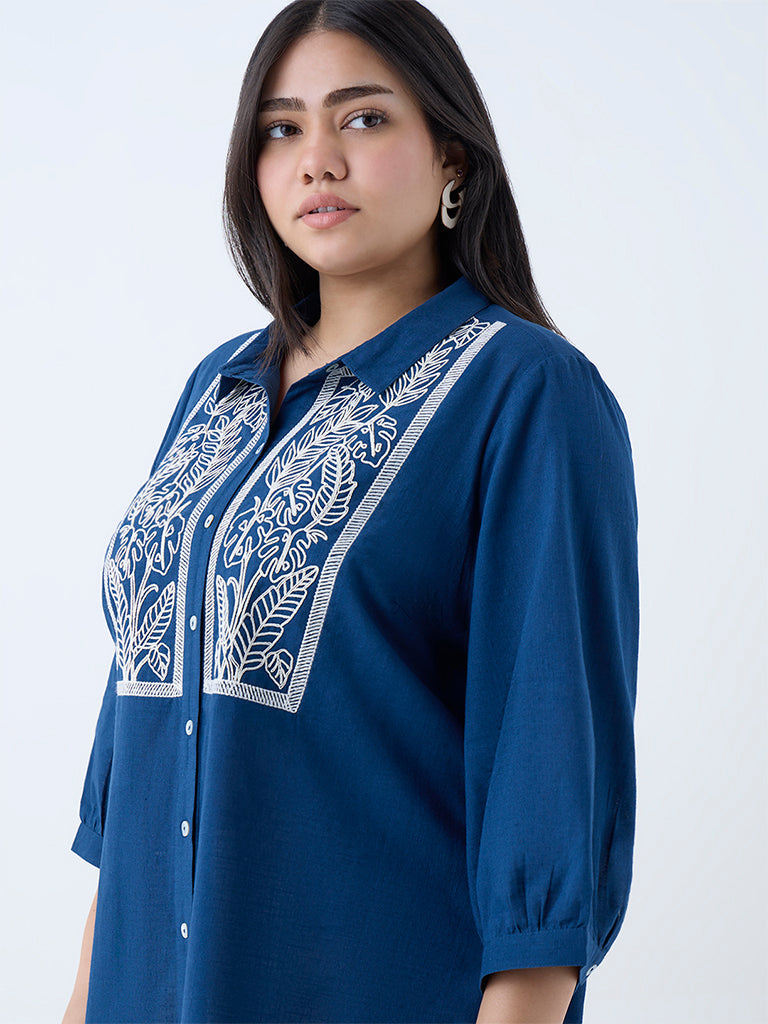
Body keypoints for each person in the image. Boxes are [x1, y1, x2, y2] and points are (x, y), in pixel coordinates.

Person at [62, 2, 639, 1023]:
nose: (317, 160)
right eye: (281, 129)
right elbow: (140, 765)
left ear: (453, 155)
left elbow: (550, 779)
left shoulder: (527, 394)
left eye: (363, 119)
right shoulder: (217, 389)